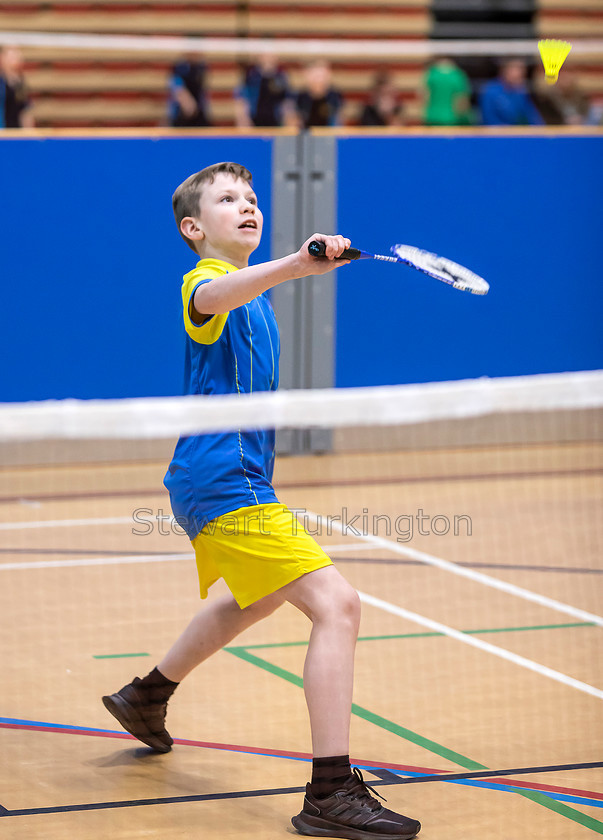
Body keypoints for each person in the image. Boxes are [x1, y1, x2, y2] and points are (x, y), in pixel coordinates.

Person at [102, 161, 421, 840]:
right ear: (193, 227)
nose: (245, 205)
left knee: (260, 594)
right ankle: (329, 791)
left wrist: (292, 271)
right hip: (221, 481)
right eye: (225, 199)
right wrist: (297, 263)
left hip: (228, 478)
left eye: (250, 198)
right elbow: (213, 298)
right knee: (337, 605)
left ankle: (146, 695)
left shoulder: (260, 300)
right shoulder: (203, 282)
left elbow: (250, 291)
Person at [235, 53, 294, 127]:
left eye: (271, 54)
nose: (268, 57)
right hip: (253, 122)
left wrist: (288, 119)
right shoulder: (250, 75)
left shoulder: (282, 75)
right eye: (265, 54)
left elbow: (287, 102)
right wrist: (243, 118)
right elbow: (241, 100)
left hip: (276, 123)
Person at [479, 59, 544, 126]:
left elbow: (533, 117)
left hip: (516, 132)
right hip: (496, 133)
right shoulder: (490, 91)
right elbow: (489, 120)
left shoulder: (520, 92)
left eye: (522, 70)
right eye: (517, 69)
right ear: (504, 70)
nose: (521, 73)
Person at [423, 58, 473, 126]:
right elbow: (462, 101)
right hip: (452, 119)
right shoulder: (458, 75)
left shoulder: (431, 74)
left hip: (432, 117)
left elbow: (424, 96)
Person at [295, 60, 343, 128]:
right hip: (305, 135)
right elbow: (295, 121)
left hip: (328, 135)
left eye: (321, 76)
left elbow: (338, 120)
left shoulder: (334, 96)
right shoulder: (300, 96)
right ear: (307, 76)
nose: (318, 80)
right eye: (315, 76)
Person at [167, 56, 211, 127]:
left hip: (199, 116)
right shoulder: (179, 67)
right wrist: (188, 103)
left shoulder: (202, 66)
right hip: (180, 117)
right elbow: (178, 89)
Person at [0, 45, 34, 129]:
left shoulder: (20, 82)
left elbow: (24, 111)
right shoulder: (2, 82)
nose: (14, 59)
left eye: (16, 56)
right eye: (11, 57)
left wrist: (29, 133)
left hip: (15, 132)